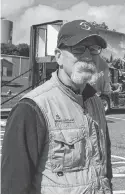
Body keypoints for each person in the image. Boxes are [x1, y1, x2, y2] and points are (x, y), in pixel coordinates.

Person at [1, 20, 113, 194]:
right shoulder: (32, 108)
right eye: (78, 48)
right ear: (59, 56)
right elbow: (13, 186)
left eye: (93, 49)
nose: (88, 55)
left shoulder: (96, 102)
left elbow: (105, 167)